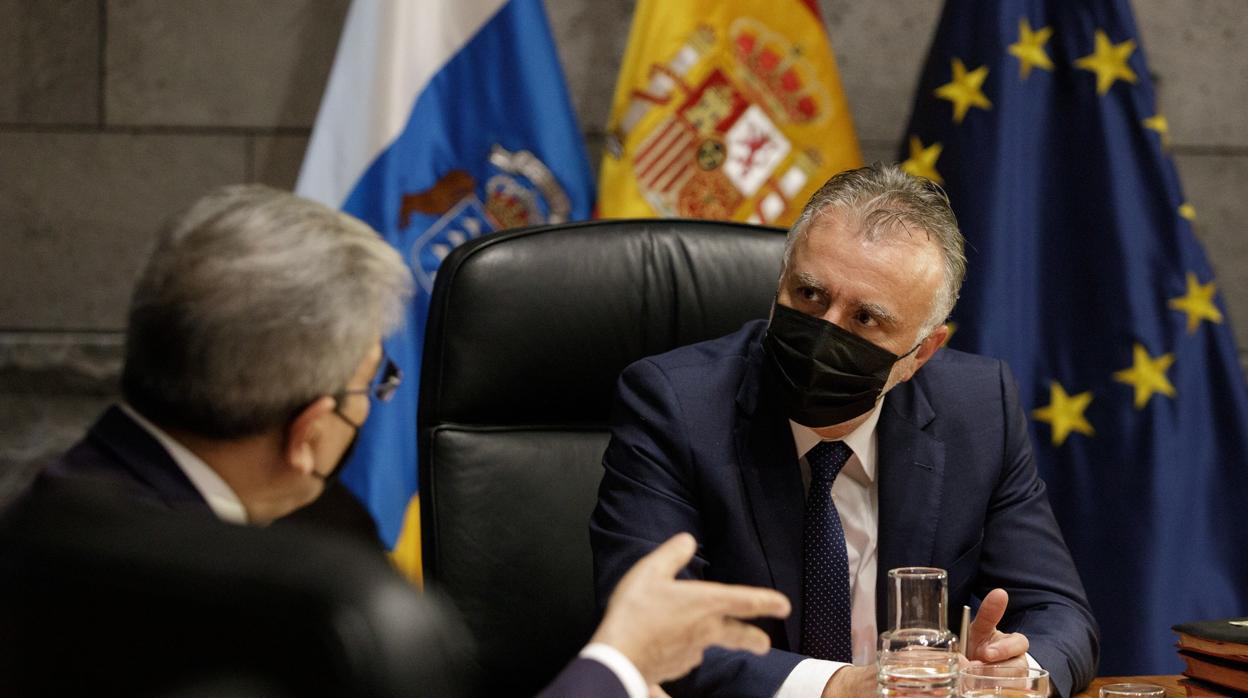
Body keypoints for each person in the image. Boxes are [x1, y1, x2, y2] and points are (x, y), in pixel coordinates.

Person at [29, 184, 791, 696]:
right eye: (371, 384)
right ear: (307, 434)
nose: (371, 405)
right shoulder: (272, 610)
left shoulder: (56, 509)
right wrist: (622, 662)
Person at [590, 164, 1100, 697]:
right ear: (780, 281)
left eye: (865, 319)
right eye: (809, 294)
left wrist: (1019, 672)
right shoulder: (674, 405)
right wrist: (839, 688)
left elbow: (1058, 612)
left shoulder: (977, 407)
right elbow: (649, 631)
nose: (824, 332)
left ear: (922, 352)